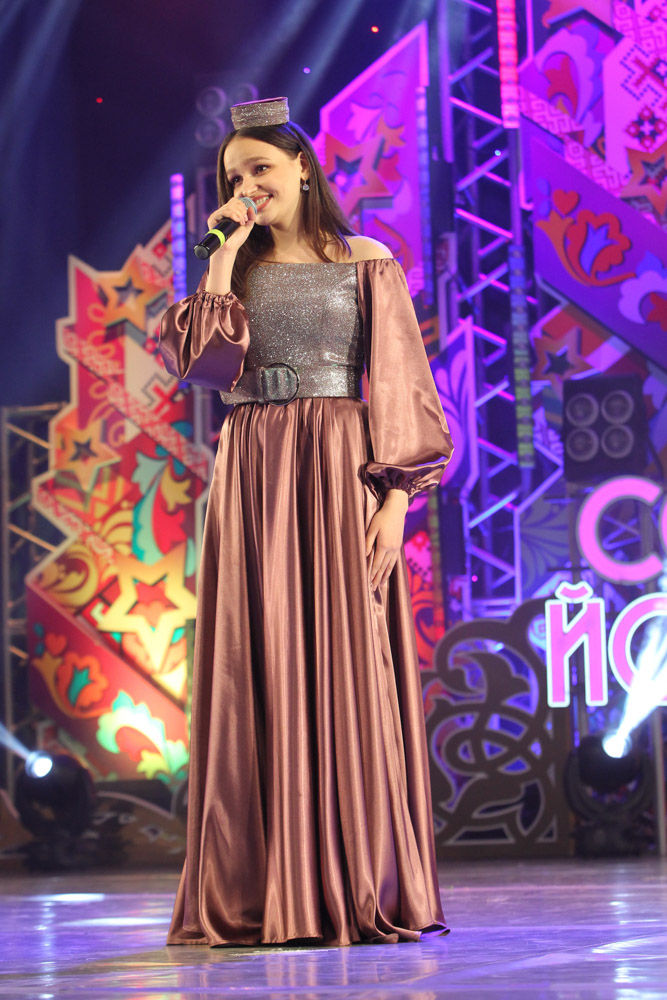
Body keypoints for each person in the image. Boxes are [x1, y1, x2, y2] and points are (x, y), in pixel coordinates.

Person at [160, 96, 453, 947]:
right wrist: (219, 257)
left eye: (260, 168)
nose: (247, 186)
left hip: (337, 466)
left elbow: (401, 386)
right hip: (254, 467)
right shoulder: (235, 269)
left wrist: (395, 502)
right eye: (233, 176)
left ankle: (352, 877)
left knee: (344, 661)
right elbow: (206, 367)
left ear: (299, 167)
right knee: (256, 659)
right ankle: (261, 885)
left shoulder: (365, 261)